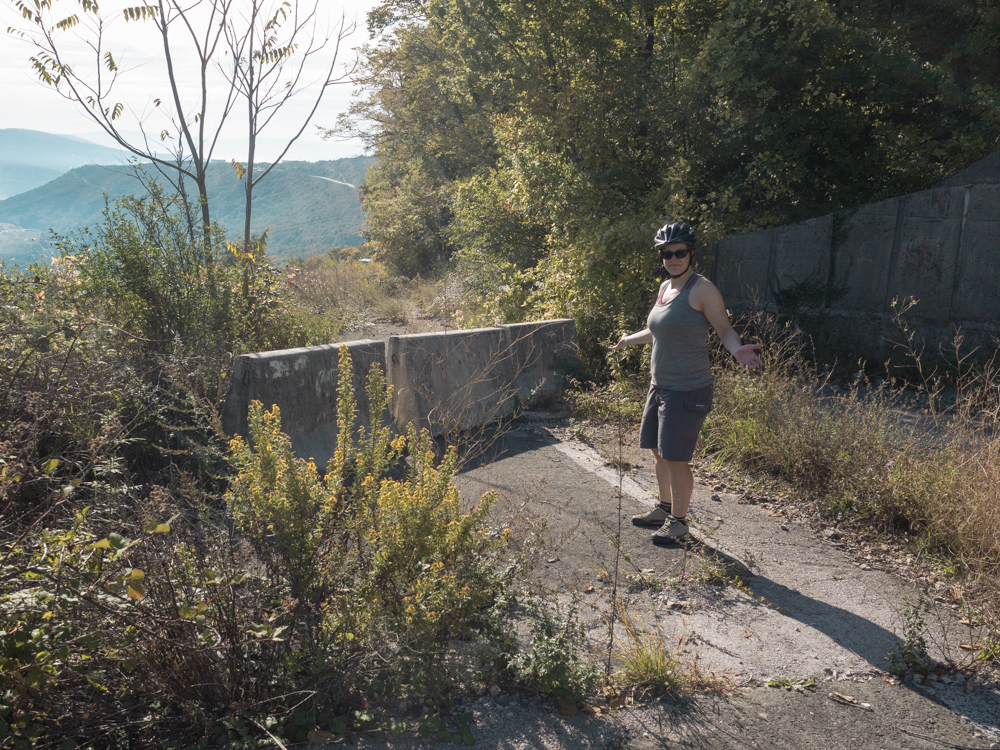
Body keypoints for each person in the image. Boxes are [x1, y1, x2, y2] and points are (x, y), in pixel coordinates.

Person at [608, 222, 761, 544]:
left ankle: (679, 523)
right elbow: (658, 330)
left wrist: (737, 350)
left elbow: (724, 329)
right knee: (657, 451)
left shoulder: (702, 289)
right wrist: (626, 339)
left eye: (679, 252)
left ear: (691, 253)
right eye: (667, 253)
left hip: (687, 389)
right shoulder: (666, 288)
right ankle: (664, 508)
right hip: (659, 386)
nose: (673, 258)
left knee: (676, 458)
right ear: (661, 256)